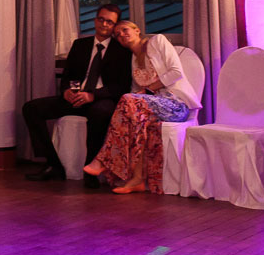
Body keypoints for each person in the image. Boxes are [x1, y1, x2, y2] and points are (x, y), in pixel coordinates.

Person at [22, 3, 132, 187]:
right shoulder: (80, 44)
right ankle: (52, 164)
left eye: (110, 22)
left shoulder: (121, 50)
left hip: (101, 99)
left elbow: (121, 86)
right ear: (95, 20)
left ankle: (90, 168)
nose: (104, 24)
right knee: (31, 108)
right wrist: (66, 91)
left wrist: (93, 95)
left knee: (100, 113)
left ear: (115, 26)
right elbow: (67, 76)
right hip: (76, 97)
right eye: (101, 19)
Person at [83, 21, 199, 194]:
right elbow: (135, 92)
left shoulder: (157, 41)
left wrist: (149, 89)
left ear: (137, 30)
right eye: (117, 34)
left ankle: (103, 159)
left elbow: (176, 72)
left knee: (129, 101)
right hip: (152, 107)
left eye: (125, 29)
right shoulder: (133, 61)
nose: (121, 34)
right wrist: (138, 97)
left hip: (176, 105)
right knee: (134, 117)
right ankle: (137, 179)